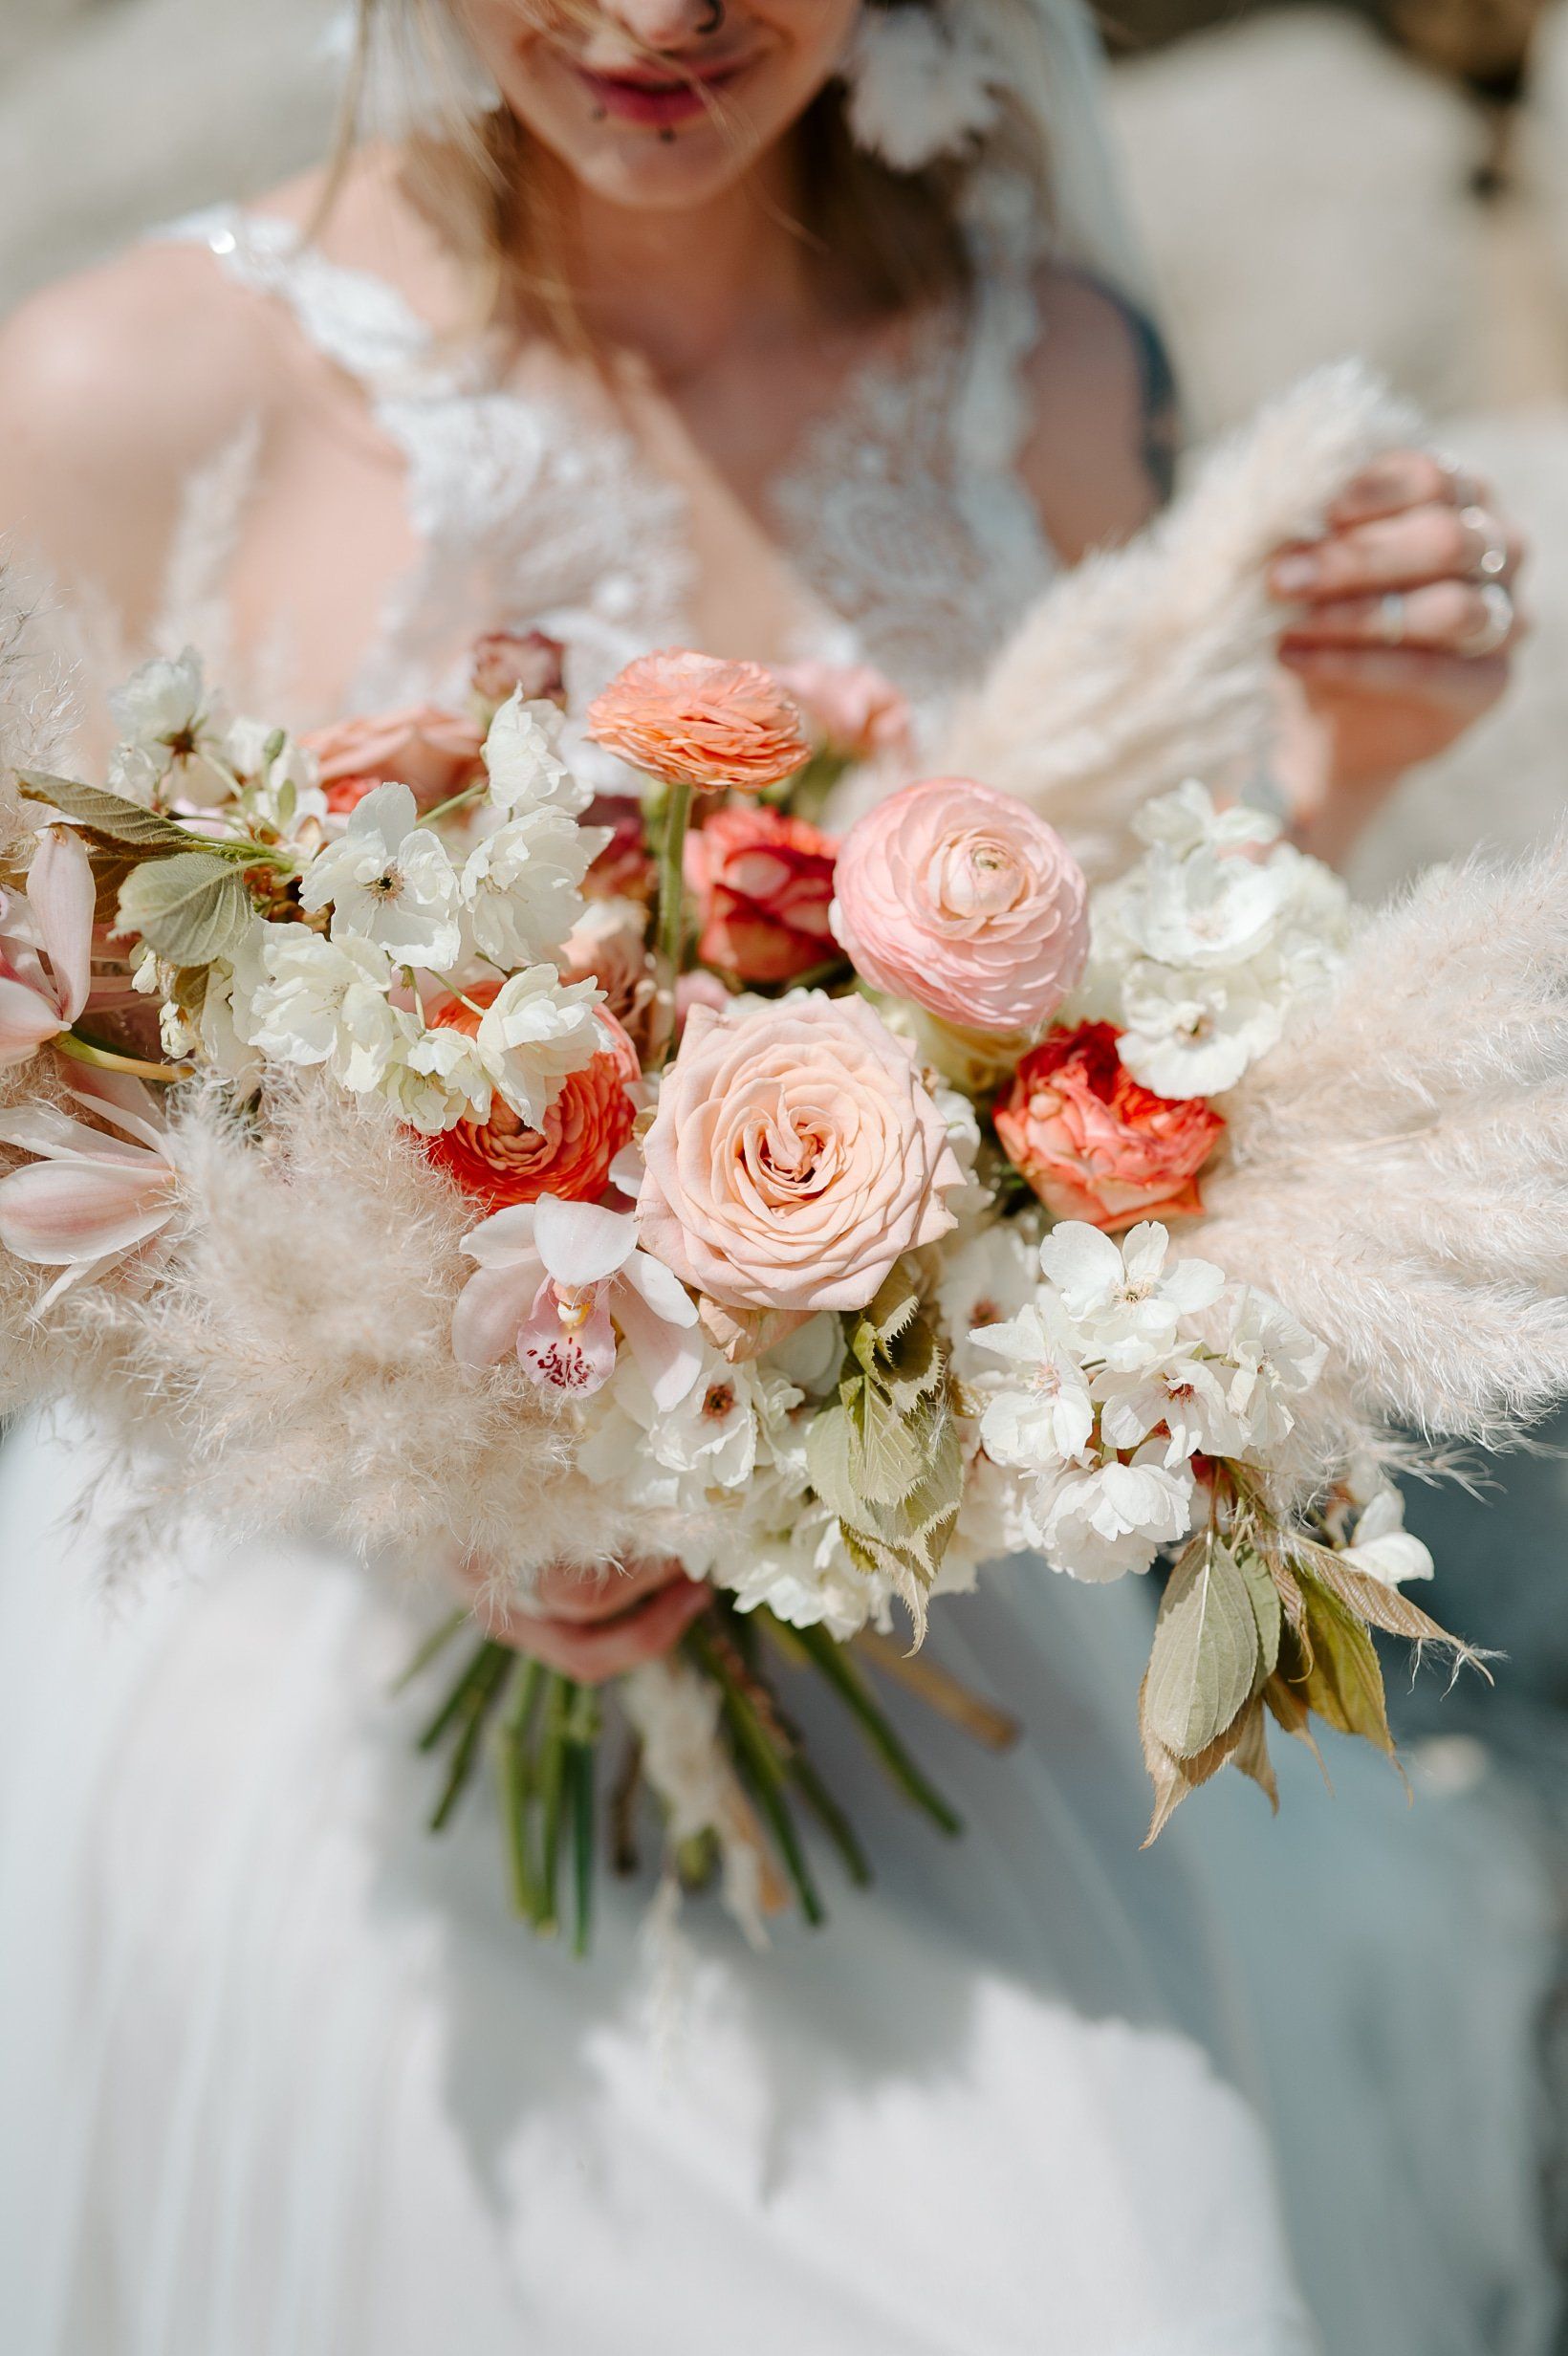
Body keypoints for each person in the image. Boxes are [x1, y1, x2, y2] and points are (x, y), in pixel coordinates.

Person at [0, 4, 1552, 2350]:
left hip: (914, 1636)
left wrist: (1336, 768)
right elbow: (56, 1120)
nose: (652, 20)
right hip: (312, 1660)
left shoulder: (1039, 365)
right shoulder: (113, 397)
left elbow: (1105, 1061)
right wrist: (432, 1454)